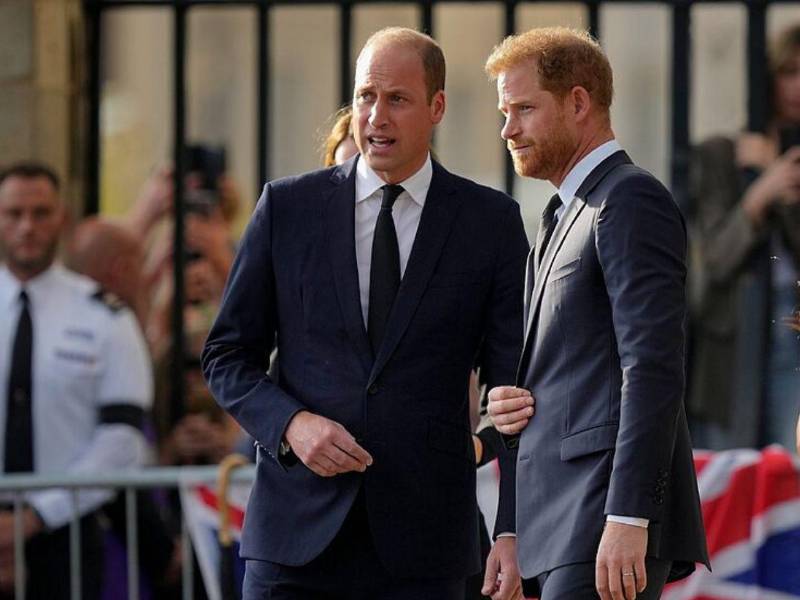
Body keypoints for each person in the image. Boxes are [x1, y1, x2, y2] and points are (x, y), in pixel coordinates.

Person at [202, 26, 529, 600]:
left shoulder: (489, 222)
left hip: (428, 547)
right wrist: (291, 426)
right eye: (365, 96)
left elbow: (514, 385)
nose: (376, 115)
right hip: (294, 545)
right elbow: (227, 355)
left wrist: (501, 503)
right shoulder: (287, 208)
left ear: (436, 107)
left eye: (397, 99)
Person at [484, 27, 709, 600]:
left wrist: (629, 516)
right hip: (557, 526)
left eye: (524, 109)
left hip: (603, 519)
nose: (508, 129)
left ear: (579, 102)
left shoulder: (630, 199)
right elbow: (545, 384)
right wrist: (510, 528)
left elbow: (654, 366)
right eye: (504, 112)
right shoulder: (558, 218)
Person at [0, 162, 153, 599]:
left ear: (62, 218)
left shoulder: (104, 316)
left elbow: (123, 438)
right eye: (14, 213)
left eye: (40, 213)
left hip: (66, 530)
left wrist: (35, 515)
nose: (27, 227)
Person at [685, 24, 800, 451]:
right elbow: (714, 258)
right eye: (789, 72)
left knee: (787, 477)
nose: (797, 86)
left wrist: (779, 177)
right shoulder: (722, 154)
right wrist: (759, 195)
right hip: (732, 340)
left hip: (794, 328)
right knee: (729, 479)